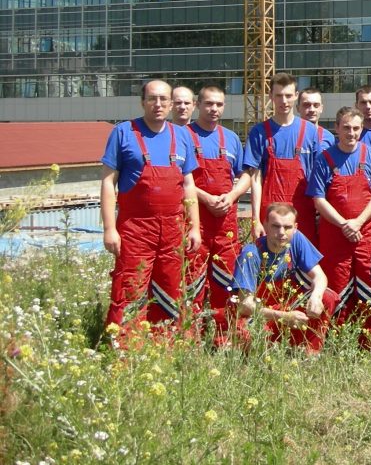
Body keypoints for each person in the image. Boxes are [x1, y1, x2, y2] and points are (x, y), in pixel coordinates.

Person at [100, 79, 201, 332]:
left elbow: (188, 184)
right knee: (130, 286)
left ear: (171, 104)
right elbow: (108, 182)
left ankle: (165, 341)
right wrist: (109, 229)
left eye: (163, 99)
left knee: (170, 286)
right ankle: (126, 345)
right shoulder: (123, 132)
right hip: (135, 229)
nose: (158, 104)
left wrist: (194, 227)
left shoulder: (182, 135)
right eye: (152, 98)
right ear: (142, 102)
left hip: (173, 229)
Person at [307, 107, 371, 343]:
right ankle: (335, 340)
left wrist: (358, 222)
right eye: (346, 128)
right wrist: (344, 224)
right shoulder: (325, 159)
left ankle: (370, 341)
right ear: (336, 128)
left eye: (355, 128)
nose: (351, 133)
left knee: (370, 284)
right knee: (336, 285)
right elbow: (318, 199)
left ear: (361, 129)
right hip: (335, 235)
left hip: (366, 234)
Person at [231, 203, 337, 353]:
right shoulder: (251, 253)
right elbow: (245, 305)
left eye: (287, 227)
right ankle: (262, 354)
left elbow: (319, 276)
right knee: (245, 336)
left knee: (326, 297)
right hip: (262, 314)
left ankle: (309, 353)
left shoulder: (297, 239)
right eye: (275, 226)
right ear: (265, 225)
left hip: (286, 307)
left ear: (295, 227)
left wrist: (316, 297)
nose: (281, 232)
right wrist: (285, 316)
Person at [186, 84, 248, 335]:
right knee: (192, 282)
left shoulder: (231, 138)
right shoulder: (183, 136)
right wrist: (205, 198)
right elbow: (179, 179)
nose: (214, 109)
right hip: (195, 222)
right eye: (209, 103)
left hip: (225, 225)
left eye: (219, 104)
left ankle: (225, 338)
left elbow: (245, 175)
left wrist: (232, 196)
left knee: (226, 283)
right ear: (197, 105)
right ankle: (191, 339)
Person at [244, 73, 322, 241]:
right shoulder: (259, 132)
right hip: (271, 214)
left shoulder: (309, 131)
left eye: (288, 95)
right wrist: (255, 219)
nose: (284, 101)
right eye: (279, 95)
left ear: (296, 96)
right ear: (271, 96)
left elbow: (318, 177)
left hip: (303, 213)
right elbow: (255, 179)